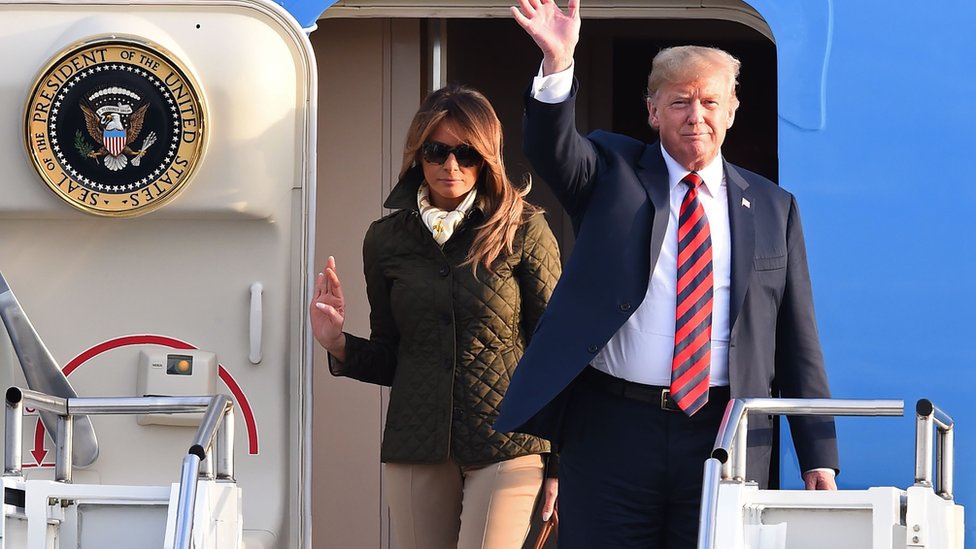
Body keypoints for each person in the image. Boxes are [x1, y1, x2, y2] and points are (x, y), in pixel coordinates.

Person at [494, 0, 839, 546]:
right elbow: (553, 150)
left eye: (709, 102)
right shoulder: (611, 173)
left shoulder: (775, 208)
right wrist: (559, 63)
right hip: (612, 429)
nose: (695, 116)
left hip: (724, 433)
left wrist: (818, 455)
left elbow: (798, 342)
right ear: (653, 112)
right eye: (679, 102)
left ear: (731, 111)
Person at [310, 84, 561, 549]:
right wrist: (338, 343)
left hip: (509, 441)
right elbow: (392, 355)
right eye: (437, 151)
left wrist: (562, 463)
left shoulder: (523, 227)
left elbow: (555, 350)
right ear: (417, 154)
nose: (451, 165)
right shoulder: (386, 239)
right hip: (417, 442)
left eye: (466, 153)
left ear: (487, 157)